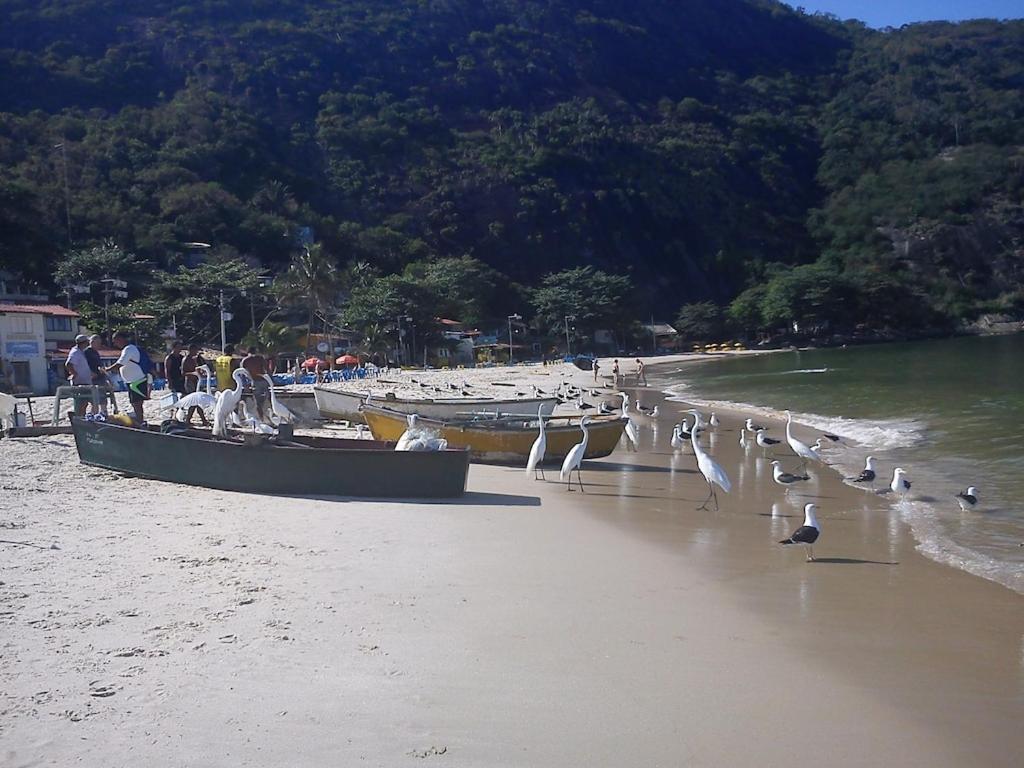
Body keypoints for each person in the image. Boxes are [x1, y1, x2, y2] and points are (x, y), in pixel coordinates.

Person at [107, 330, 150, 424]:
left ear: (121, 339)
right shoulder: (127, 349)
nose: (114, 343)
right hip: (133, 380)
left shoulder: (129, 349)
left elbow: (120, 363)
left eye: (115, 340)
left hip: (137, 380)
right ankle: (140, 421)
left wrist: (106, 369)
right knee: (135, 403)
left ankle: (140, 422)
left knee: (137, 403)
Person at [65, 334, 94, 416]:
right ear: (83, 342)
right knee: (81, 402)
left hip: (85, 381)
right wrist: (74, 374)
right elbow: (68, 364)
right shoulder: (75, 352)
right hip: (80, 382)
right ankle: (79, 417)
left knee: (85, 403)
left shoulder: (81, 352)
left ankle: (82, 417)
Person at [181, 343, 209, 426]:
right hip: (190, 382)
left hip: (196, 382)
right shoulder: (186, 359)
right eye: (195, 350)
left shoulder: (194, 359)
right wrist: (193, 373)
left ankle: (192, 419)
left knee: (197, 401)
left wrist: (200, 372)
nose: (196, 352)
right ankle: (195, 419)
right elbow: (183, 373)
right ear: (191, 350)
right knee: (195, 401)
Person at [241, 346, 269, 418]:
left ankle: (262, 419)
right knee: (268, 400)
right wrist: (271, 381)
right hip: (264, 381)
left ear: (247, 352)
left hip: (255, 382)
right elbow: (267, 370)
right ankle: (269, 418)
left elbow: (242, 374)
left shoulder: (245, 360)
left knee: (258, 403)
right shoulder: (260, 358)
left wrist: (245, 385)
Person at [85, 334, 110, 415]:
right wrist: (90, 372)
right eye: (98, 343)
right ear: (92, 342)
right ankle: (95, 414)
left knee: (102, 397)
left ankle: (103, 413)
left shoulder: (95, 352)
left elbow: (99, 364)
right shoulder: (86, 352)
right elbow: (84, 365)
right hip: (93, 379)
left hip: (100, 377)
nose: (99, 345)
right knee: (95, 399)